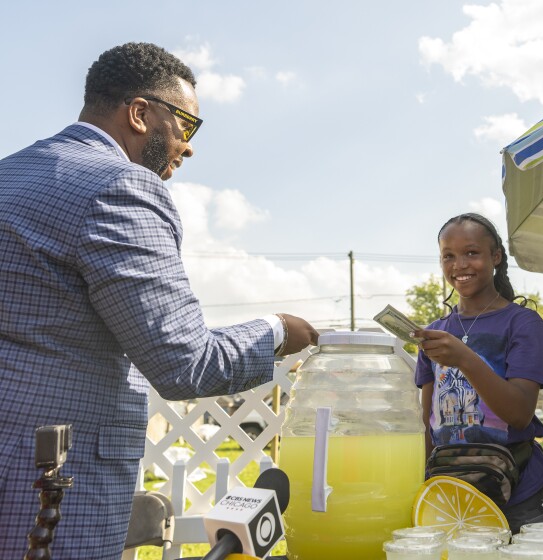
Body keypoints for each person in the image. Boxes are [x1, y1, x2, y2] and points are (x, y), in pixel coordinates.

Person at [0, 43, 319, 558]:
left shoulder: (9, 174)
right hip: (50, 485)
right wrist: (279, 329)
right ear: (141, 114)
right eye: (187, 125)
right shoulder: (119, 186)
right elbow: (186, 363)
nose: (188, 147)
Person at [413, 213, 543, 532]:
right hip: (450, 491)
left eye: (471, 253)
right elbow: (426, 423)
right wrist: (421, 483)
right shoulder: (435, 332)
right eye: (448, 256)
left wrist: (466, 358)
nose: (459, 265)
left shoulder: (523, 323)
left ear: (496, 256)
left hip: (519, 495)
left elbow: (519, 414)